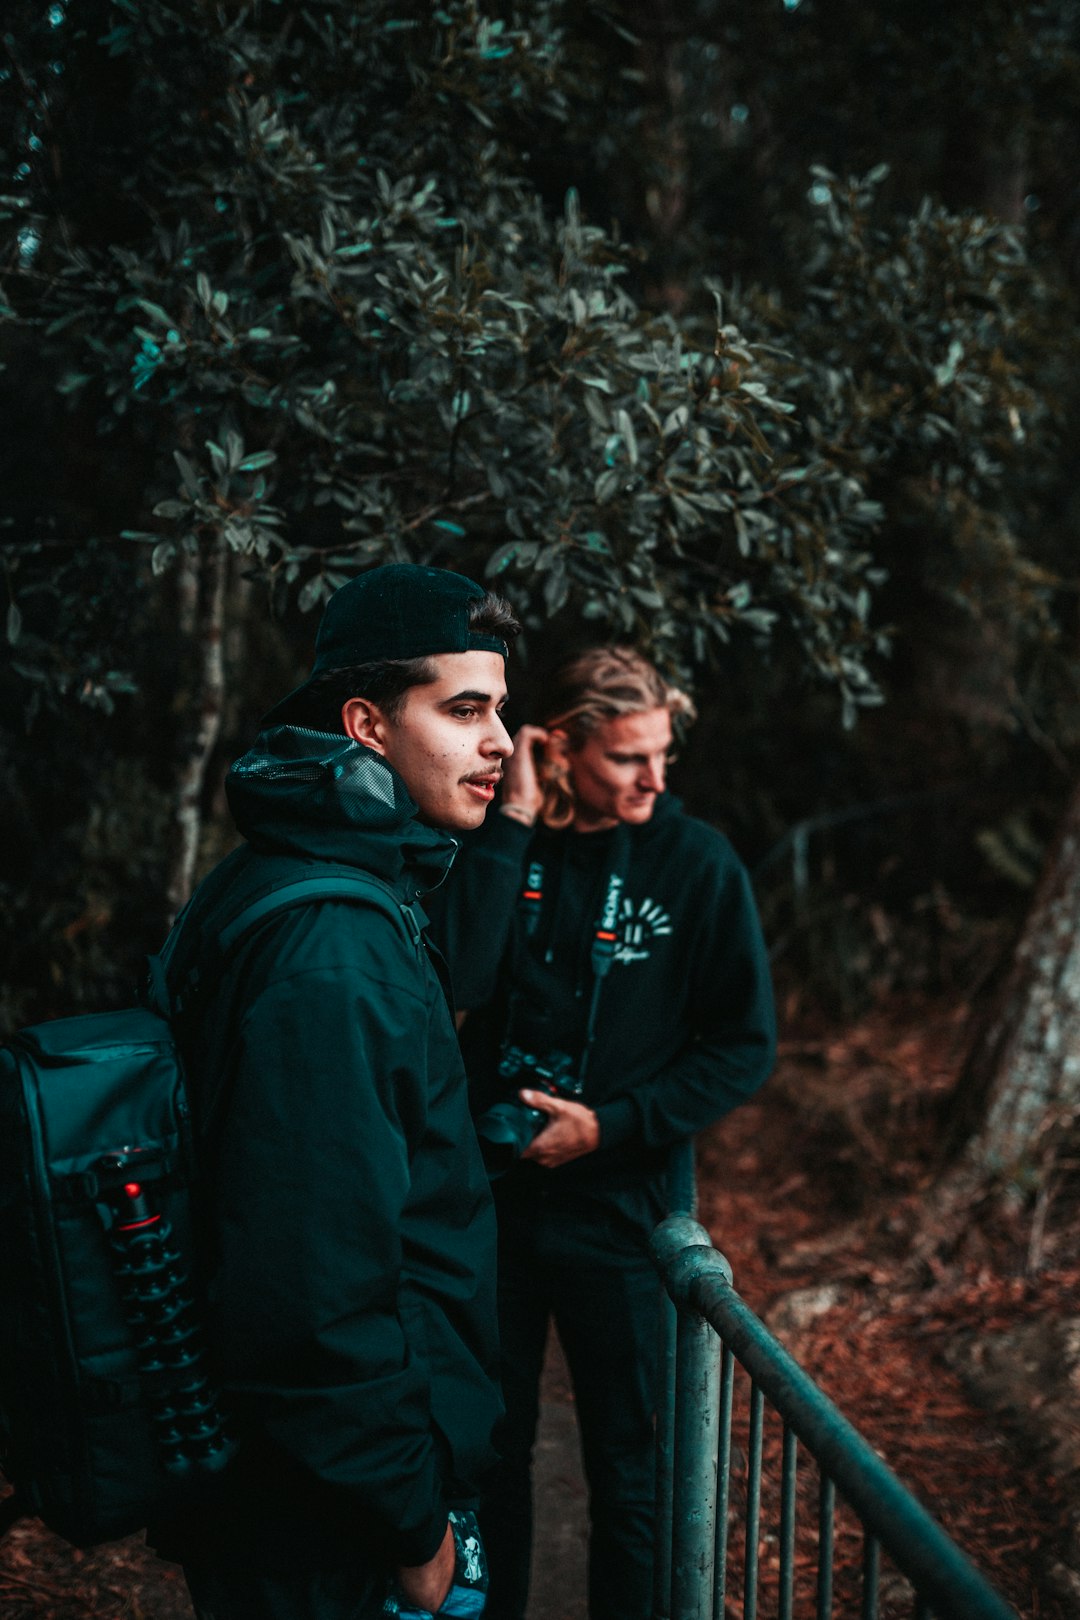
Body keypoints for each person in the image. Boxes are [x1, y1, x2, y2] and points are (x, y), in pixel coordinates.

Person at [153, 563, 520, 1620]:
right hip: (331, 1533)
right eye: (465, 710)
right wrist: (413, 1531)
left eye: (501, 709)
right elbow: (310, 1297)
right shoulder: (334, 950)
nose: (500, 740)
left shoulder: (301, 880)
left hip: (322, 1506)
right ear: (366, 723)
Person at [429, 646, 776, 1620]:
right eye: (628, 758)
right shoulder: (504, 839)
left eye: (663, 755)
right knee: (485, 1451)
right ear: (567, 747)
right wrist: (513, 819)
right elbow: (454, 978)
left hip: (624, 1217)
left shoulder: (695, 862)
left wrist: (612, 1125)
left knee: (634, 1475)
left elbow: (742, 1048)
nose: (656, 779)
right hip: (489, 1210)